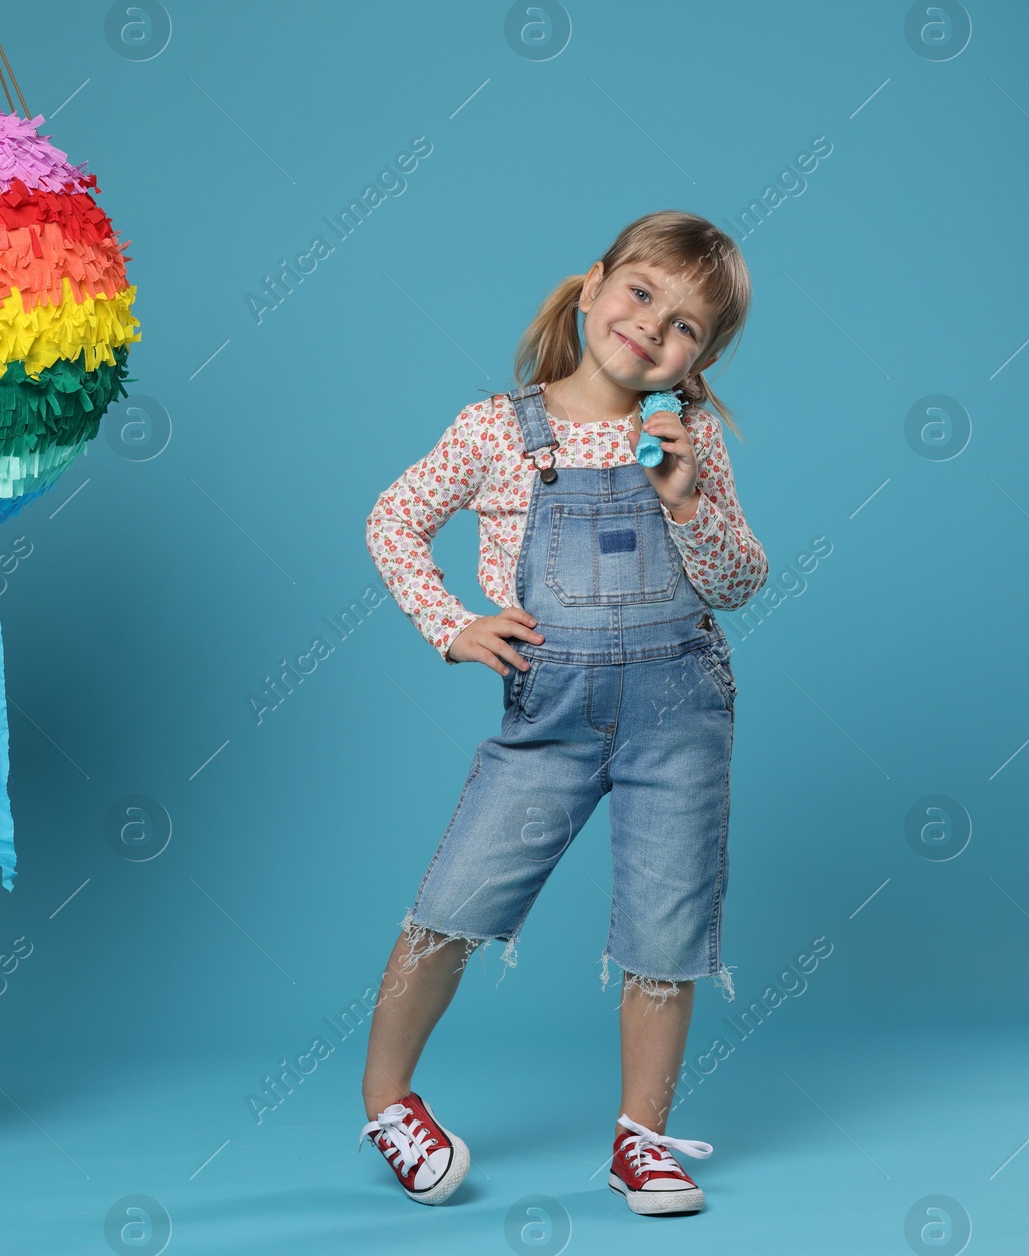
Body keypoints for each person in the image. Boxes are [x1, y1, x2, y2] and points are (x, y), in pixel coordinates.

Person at [357, 210, 768, 1215]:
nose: (651, 328)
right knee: (454, 903)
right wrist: (450, 622)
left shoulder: (690, 438)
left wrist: (683, 498)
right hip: (550, 717)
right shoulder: (497, 429)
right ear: (591, 287)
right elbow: (392, 519)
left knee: (666, 928)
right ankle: (387, 1099)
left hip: (680, 717)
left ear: (699, 358)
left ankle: (643, 1137)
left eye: (685, 326)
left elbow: (741, 578)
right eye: (640, 294)